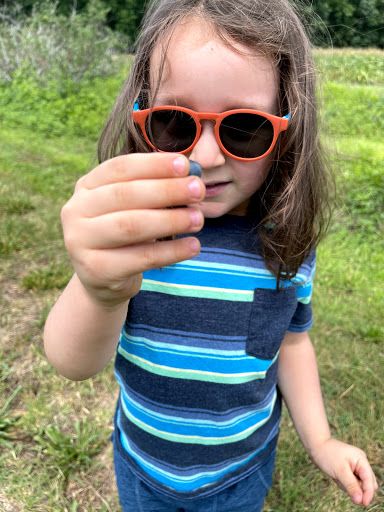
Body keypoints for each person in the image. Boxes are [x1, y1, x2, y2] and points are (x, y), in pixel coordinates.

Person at [44, 0, 378, 510]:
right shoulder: (136, 234)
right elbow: (72, 363)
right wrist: (99, 289)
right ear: (141, 117)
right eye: (174, 124)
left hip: (241, 472)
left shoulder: (285, 242)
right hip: (144, 466)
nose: (204, 157)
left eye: (244, 128)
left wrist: (321, 440)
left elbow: (290, 344)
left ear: (290, 126)